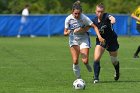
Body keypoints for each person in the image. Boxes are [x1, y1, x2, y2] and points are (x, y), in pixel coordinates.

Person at [64, 1, 105, 79]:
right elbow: (65, 33)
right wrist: (68, 32)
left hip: (84, 38)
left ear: (81, 12)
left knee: (85, 61)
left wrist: (99, 36)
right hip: (73, 39)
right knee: (75, 61)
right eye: (75, 13)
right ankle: (78, 78)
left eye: (78, 13)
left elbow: (94, 26)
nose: (77, 15)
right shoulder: (68, 19)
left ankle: (87, 64)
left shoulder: (84, 18)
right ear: (72, 12)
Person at [92, 3, 120, 83]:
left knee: (114, 60)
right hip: (101, 40)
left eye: (101, 12)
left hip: (112, 40)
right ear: (95, 11)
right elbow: (87, 26)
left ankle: (117, 72)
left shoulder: (106, 16)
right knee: (96, 58)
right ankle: (96, 78)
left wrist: (112, 19)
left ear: (104, 12)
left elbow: (112, 18)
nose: (100, 13)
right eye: (98, 11)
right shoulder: (94, 20)